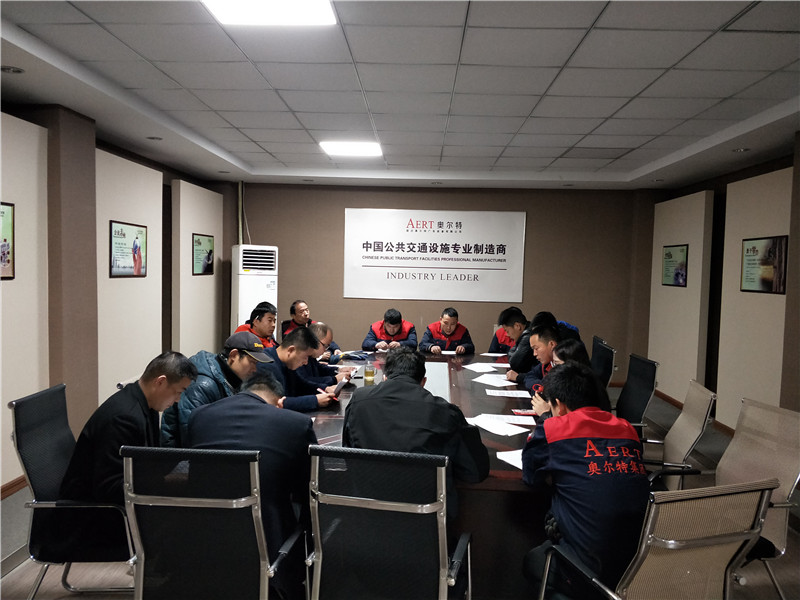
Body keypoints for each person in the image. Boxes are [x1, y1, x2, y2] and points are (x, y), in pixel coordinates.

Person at [521, 362, 649, 594]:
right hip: (638, 566)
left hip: (588, 571)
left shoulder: (553, 429)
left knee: (533, 559)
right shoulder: (627, 428)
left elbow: (531, 477)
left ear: (559, 405)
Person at [188, 372, 316, 600]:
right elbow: (310, 485)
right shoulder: (295, 423)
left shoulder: (199, 416)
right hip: (270, 543)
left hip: (203, 542)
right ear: (279, 402)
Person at [343, 347, 489, 517]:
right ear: (423, 381)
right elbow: (475, 472)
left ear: (384, 377)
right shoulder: (445, 412)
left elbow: (348, 452)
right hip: (426, 520)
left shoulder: (359, 401)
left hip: (366, 515)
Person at [60, 351, 197, 505]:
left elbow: (148, 460)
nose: (178, 399)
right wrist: (164, 484)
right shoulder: (123, 419)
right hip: (91, 510)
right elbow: (107, 488)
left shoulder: (147, 404)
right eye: (178, 392)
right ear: (160, 382)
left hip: (116, 497)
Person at [160, 332, 271, 447]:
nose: (254, 369)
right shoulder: (204, 384)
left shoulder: (233, 378)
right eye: (252, 362)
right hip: (183, 453)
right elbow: (192, 434)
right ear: (233, 355)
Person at [259, 326, 335, 412]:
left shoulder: (287, 362)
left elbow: (301, 384)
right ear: (291, 350)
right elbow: (276, 403)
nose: (306, 362)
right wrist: (315, 401)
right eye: (305, 357)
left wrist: (325, 389)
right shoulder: (265, 365)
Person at [296, 322, 355, 389]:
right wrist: (334, 379)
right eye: (325, 346)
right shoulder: (298, 356)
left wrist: (338, 370)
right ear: (314, 341)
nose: (325, 350)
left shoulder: (310, 354)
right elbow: (305, 382)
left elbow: (318, 368)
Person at [521, 325, 560, 392]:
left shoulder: (566, 365)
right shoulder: (547, 363)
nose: (534, 354)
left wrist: (542, 388)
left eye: (536, 348)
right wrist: (540, 387)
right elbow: (529, 376)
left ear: (552, 344)